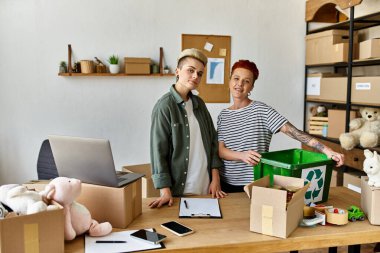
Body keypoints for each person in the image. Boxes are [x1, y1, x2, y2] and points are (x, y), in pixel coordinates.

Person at [217, 60, 345, 193]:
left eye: (246, 81)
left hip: (254, 184)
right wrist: (242, 156)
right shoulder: (223, 115)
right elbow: (220, 151)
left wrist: (326, 150)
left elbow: (293, 132)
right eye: (236, 78)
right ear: (229, 80)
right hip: (225, 184)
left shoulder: (262, 110)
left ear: (252, 87)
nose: (239, 84)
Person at [149, 48, 227, 208]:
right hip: (179, 190)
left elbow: (213, 141)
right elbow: (158, 151)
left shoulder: (200, 104)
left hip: (207, 189)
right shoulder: (164, 107)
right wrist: (165, 190)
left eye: (199, 73)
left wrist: (215, 178)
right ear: (177, 71)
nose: (195, 76)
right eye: (190, 70)